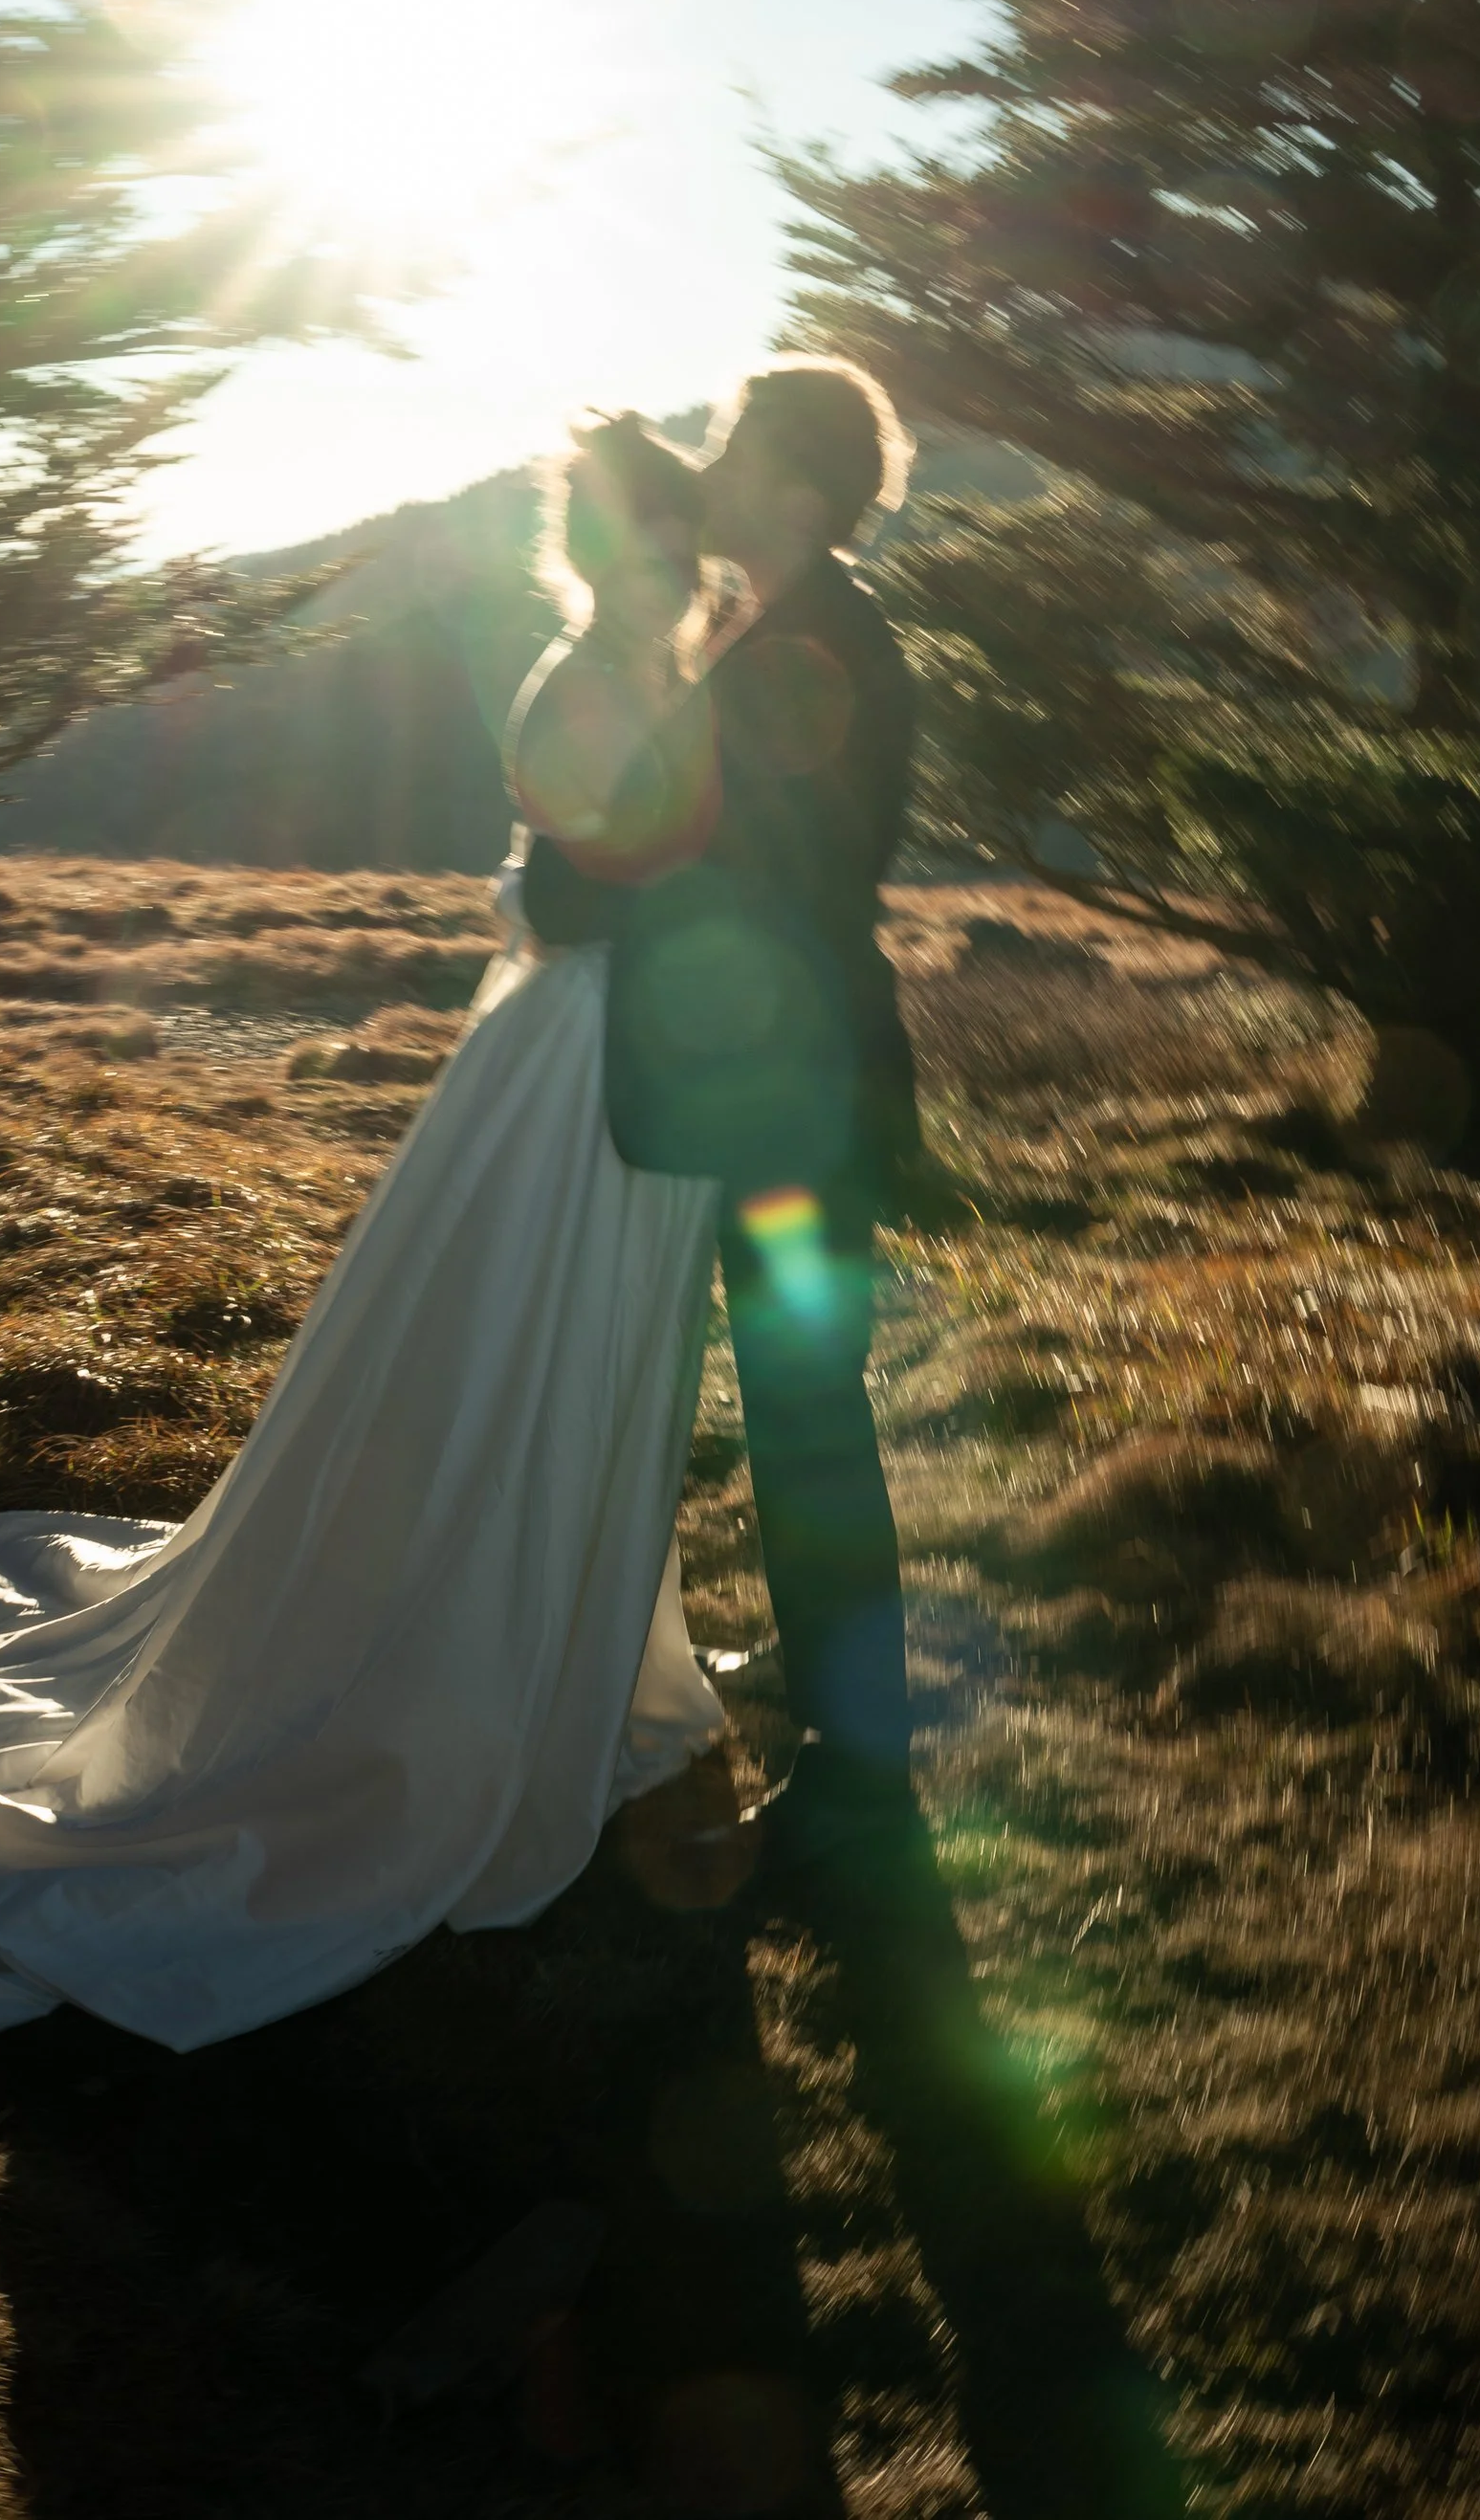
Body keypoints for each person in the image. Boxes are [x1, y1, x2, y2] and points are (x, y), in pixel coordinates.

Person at [0, 417, 736, 2071]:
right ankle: (468, 1650)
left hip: (619, 1061)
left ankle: (547, 1636)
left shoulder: (652, 670)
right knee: (508, 1343)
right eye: (634, 539)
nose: (647, 566)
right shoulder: (596, 677)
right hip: (575, 1061)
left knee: (570, 1354)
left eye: (661, 540)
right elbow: (568, 893)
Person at [520, 358, 926, 1857]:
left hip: (793, 1106)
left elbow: (657, 865)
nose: (712, 475)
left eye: (737, 455)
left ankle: (857, 1768)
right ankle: (837, 1695)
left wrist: (561, 873)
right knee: (803, 1407)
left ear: (800, 498)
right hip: (802, 1089)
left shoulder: (793, 665)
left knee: (811, 1420)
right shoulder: (806, 634)